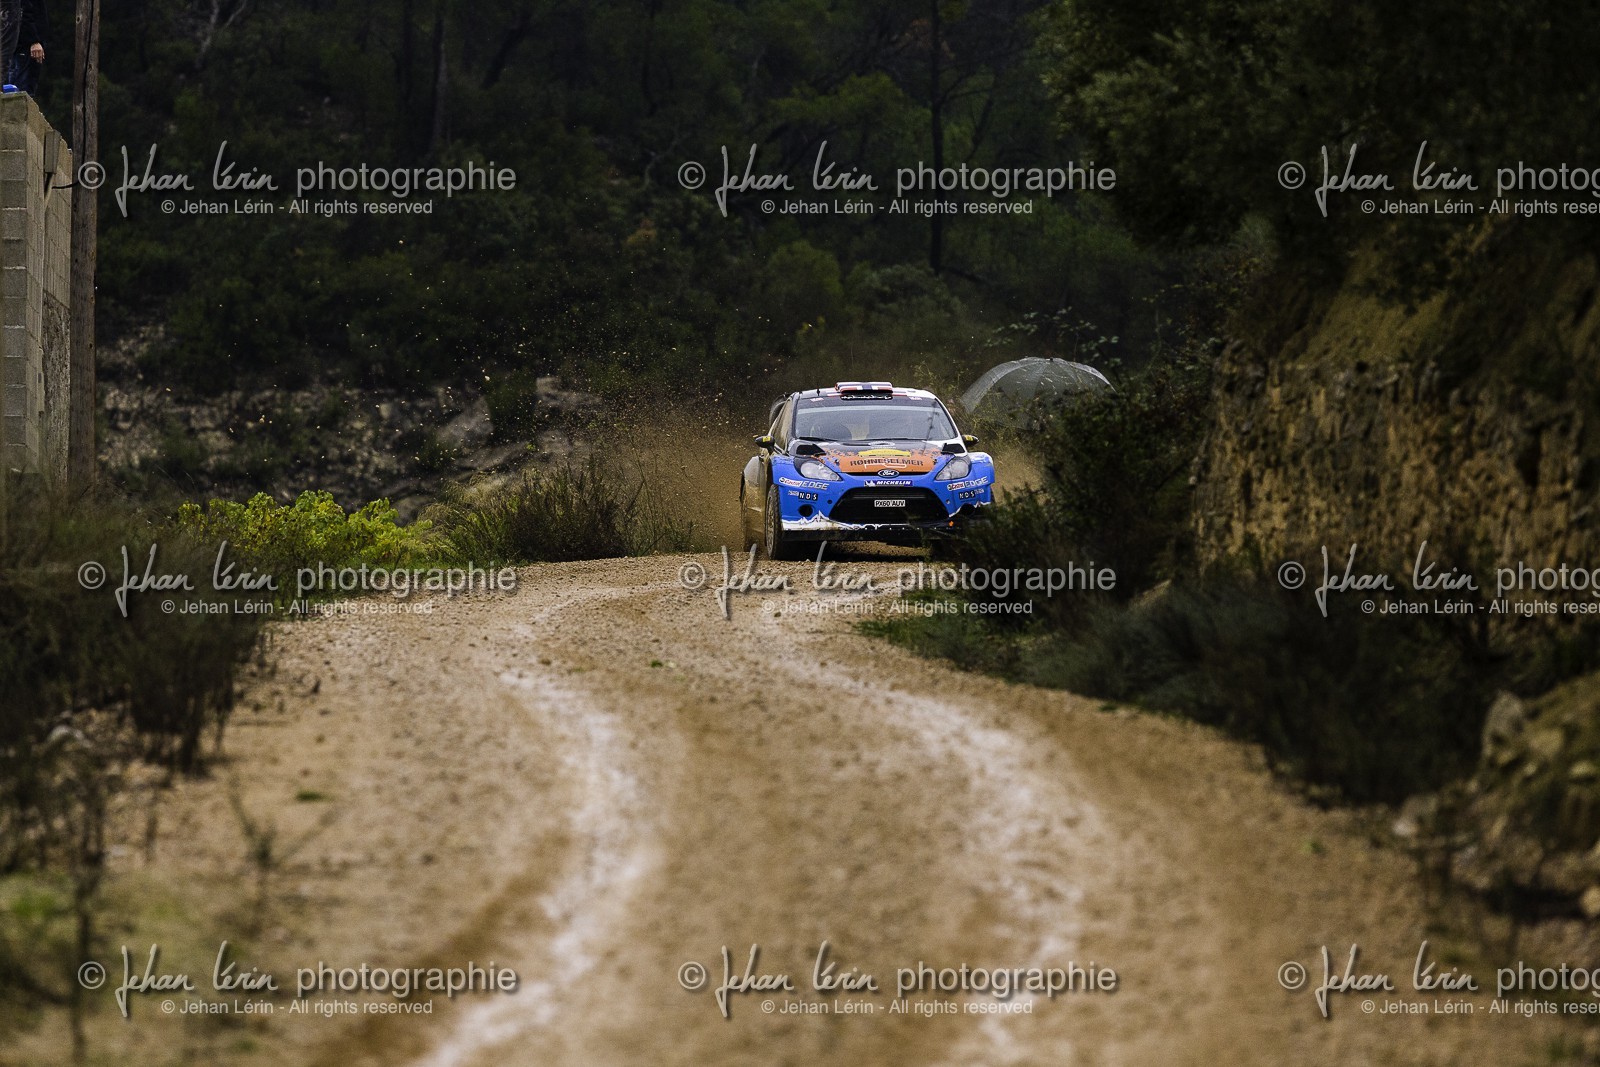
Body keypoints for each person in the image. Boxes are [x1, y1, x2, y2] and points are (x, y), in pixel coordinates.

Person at [6, 0, 44, 95]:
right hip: (24, 46)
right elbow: (23, 12)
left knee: (16, 92)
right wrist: (34, 40)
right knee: (21, 93)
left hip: (15, 45)